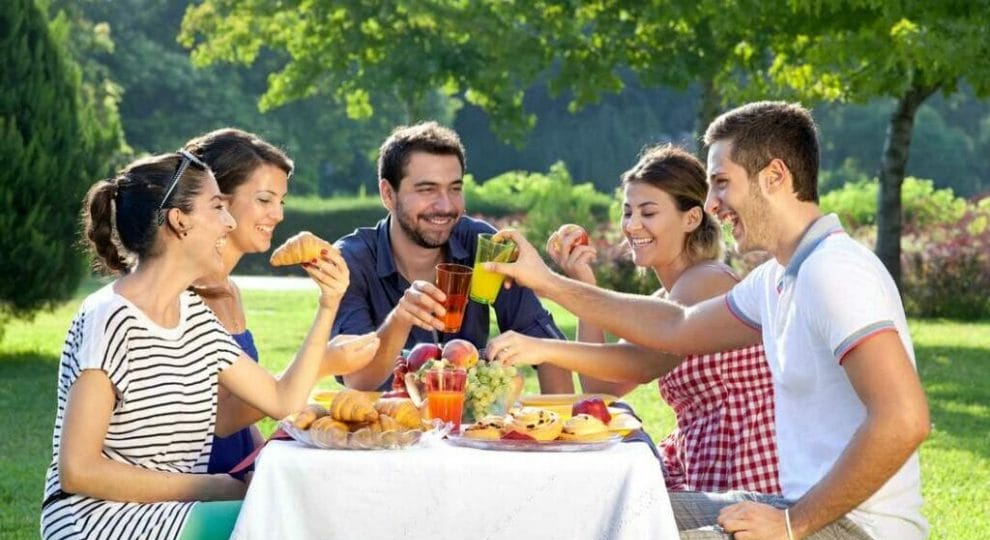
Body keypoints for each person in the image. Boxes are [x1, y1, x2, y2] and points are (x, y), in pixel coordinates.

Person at [484, 101, 929, 540]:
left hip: (859, 536)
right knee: (603, 516)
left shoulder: (832, 271)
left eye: (721, 183)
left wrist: (794, 524)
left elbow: (904, 419)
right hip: (798, 506)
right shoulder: (778, 277)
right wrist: (550, 282)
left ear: (774, 176)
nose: (712, 204)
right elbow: (677, 326)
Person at [40, 151, 373, 540]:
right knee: (290, 529)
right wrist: (214, 487)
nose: (229, 222)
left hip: (169, 515)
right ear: (179, 221)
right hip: (97, 527)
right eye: (217, 207)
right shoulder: (109, 318)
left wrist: (328, 304)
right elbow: (78, 471)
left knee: (302, 521)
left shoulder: (194, 316)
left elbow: (280, 399)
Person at [493, 144, 780, 494]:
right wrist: (585, 284)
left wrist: (542, 347)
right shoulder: (665, 300)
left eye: (648, 212)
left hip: (746, 474)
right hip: (703, 465)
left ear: (691, 218)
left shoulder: (708, 280)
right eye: (628, 212)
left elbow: (641, 365)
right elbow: (602, 389)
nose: (632, 225)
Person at [184, 128, 379, 478]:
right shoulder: (187, 294)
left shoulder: (228, 291)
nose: (278, 215)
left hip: (237, 474)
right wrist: (322, 363)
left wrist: (265, 457)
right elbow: (221, 420)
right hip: (198, 488)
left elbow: (241, 422)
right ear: (218, 201)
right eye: (264, 200)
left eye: (281, 201)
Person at [331, 121, 573, 393]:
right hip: (384, 430)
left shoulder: (482, 245)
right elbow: (357, 379)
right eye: (427, 190)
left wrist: (558, 426)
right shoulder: (352, 260)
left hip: (468, 430)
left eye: (455, 188)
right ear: (388, 194)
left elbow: (551, 351)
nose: (446, 206)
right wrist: (400, 318)